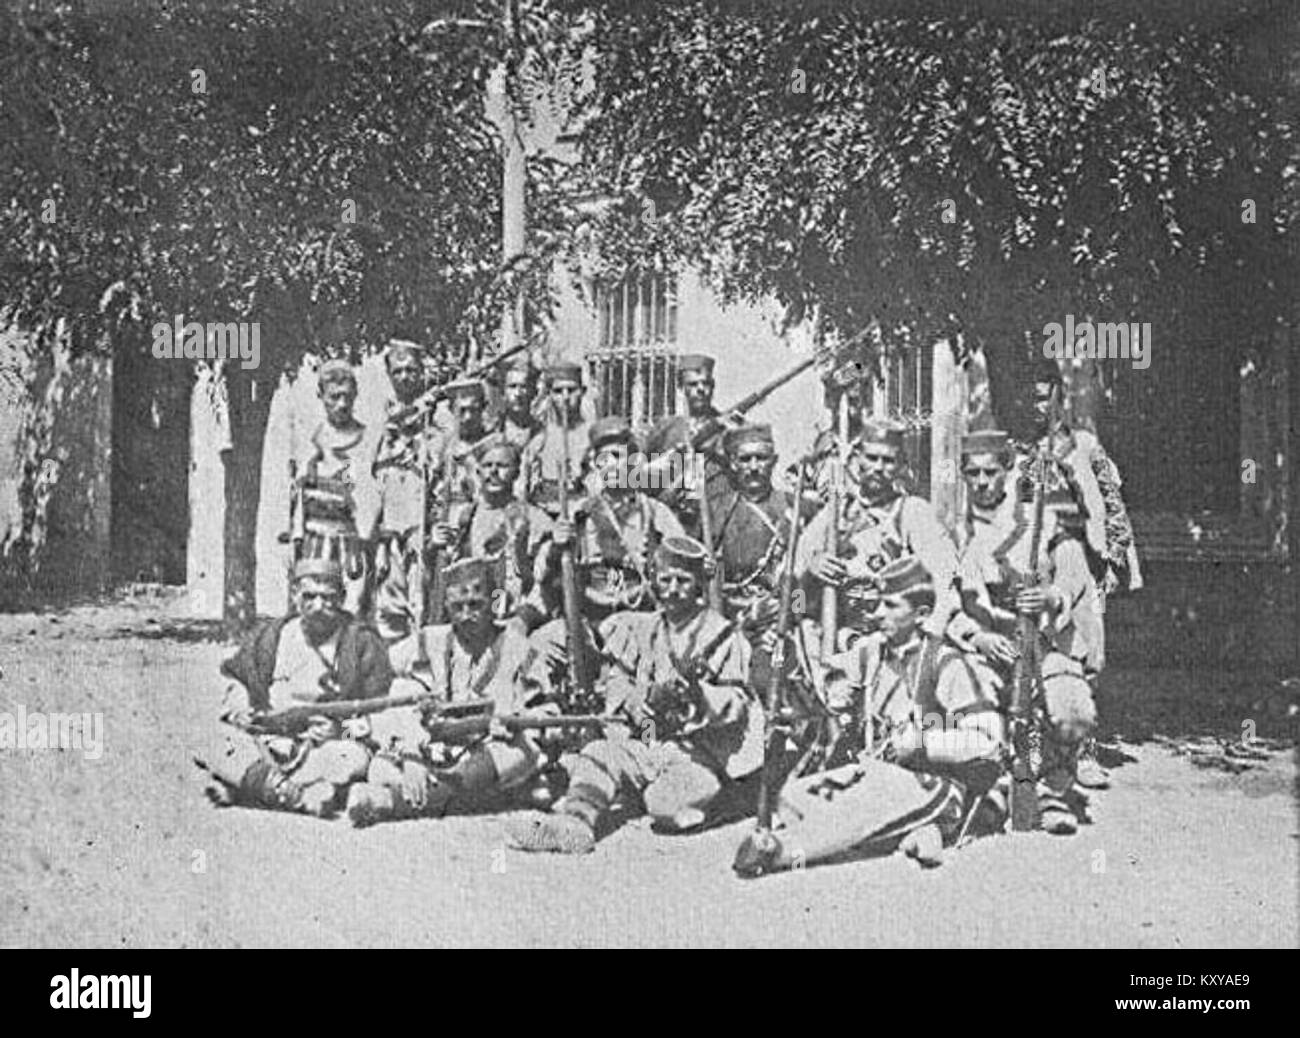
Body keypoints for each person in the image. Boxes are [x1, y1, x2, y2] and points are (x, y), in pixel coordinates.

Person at [733, 557, 1005, 876]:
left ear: (921, 615)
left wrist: (924, 743)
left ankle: (779, 852)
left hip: (937, 782)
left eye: (890, 606)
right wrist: (790, 660)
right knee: (794, 796)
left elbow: (989, 741)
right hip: (878, 771)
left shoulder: (945, 663)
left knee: (868, 801)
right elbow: (824, 689)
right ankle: (912, 833)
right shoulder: (872, 650)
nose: (877, 614)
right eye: (878, 604)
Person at [507, 536, 761, 854]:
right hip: (647, 740)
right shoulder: (640, 627)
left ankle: (718, 801)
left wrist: (699, 699)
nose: (672, 590)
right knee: (601, 752)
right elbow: (618, 681)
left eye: (683, 581)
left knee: (664, 806)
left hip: (698, 753)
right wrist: (637, 700)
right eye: (665, 580)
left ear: (698, 586)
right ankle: (574, 824)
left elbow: (738, 701)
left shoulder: (721, 634)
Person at [952, 427, 1102, 835]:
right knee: (974, 720)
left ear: (1006, 472)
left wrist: (1051, 597)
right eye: (973, 474)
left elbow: (1075, 576)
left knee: (1071, 709)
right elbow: (940, 601)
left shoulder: (1041, 520)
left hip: (1040, 641)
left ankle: (1053, 791)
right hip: (979, 649)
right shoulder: (953, 528)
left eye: (991, 472)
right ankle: (995, 791)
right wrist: (976, 637)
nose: (982, 483)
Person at [346, 558, 558, 826]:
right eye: (458, 607)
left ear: (493, 602)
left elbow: (547, 711)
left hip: (489, 751)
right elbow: (382, 672)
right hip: (432, 748)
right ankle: (468, 795)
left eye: (476, 605)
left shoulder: (520, 649)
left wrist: (517, 721)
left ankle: (391, 802)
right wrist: (411, 754)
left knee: (521, 752)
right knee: (382, 767)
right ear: (447, 606)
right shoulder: (429, 640)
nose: (467, 614)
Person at [194, 558, 392, 817]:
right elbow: (237, 678)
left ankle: (253, 786)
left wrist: (341, 731)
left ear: (342, 597)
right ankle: (300, 796)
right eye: (309, 597)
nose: (319, 606)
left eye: (328, 598)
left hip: (324, 748)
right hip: (268, 737)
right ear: (295, 595)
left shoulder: (362, 641)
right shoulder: (270, 636)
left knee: (349, 760)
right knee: (213, 739)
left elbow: (378, 711)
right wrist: (239, 710)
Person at [1028, 361, 1141, 789]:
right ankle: (1046, 747)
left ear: (1060, 396)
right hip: (1045, 558)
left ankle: (1086, 752)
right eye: (1032, 399)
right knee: (1044, 650)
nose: (1038, 406)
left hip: (1086, 562)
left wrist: (1115, 560)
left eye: (1044, 396)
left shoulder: (1086, 444)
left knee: (1088, 655)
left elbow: (1111, 503)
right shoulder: (1028, 452)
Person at [797, 418, 959, 649]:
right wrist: (809, 575)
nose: (878, 468)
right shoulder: (834, 512)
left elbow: (945, 585)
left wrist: (927, 642)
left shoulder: (913, 513)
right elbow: (790, 583)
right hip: (834, 637)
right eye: (871, 458)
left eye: (888, 461)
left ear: (902, 465)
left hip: (892, 638)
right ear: (857, 458)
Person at [426, 438, 554, 630]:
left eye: (502, 466)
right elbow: (440, 575)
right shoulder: (460, 516)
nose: (493, 472)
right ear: (478, 471)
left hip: (511, 617)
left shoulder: (536, 521)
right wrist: (432, 547)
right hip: (466, 616)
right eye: (487, 465)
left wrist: (523, 619)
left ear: (516, 473)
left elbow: (545, 584)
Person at [289, 359, 381, 616]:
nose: (341, 404)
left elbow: (368, 496)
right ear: (321, 396)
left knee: (351, 612)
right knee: (313, 612)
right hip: (314, 543)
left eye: (347, 397)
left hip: (352, 544)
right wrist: (296, 542)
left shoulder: (368, 440)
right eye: (334, 397)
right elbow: (298, 501)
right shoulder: (310, 442)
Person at [371, 339, 440, 641]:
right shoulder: (379, 419)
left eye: (412, 371)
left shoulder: (437, 422)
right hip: (388, 528)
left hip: (421, 526)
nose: (405, 377)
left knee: (421, 600)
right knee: (386, 602)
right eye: (398, 371)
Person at [643, 353, 732, 525]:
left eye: (705, 383)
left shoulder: (726, 428)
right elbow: (640, 476)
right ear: (681, 387)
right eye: (693, 384)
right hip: (671, 520)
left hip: (718, 518)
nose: (700, 389)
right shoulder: (665, 429)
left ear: (713, 387)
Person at [520, 361, 590, 519]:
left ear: (583, 391)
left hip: (583, 515)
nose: (565, 397)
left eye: (572, 390)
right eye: (558, 391)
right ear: (549, 395)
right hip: (545, 515)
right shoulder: (539, 438)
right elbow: (524, 486)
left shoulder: (592, 437)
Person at [495, 355, 544, 449]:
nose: (518, 394)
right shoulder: (493, 430)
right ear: (503, 392)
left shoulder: (543, 433)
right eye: (512, 386)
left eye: (524, 387)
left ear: (534, 392)